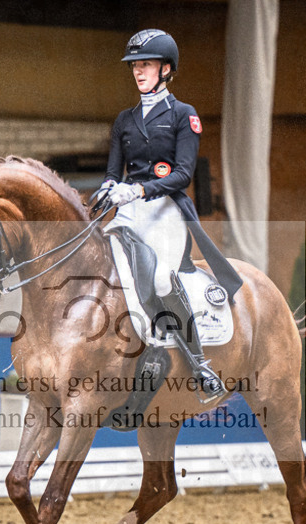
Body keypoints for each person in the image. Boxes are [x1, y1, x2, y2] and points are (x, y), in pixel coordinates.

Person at [99, 29, 242, 401]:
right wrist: (108, 188)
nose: (138, 71)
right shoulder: (124, 120)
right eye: (134, 66)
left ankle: (199, 364)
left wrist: (141, 188)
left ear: (165, 69)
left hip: (165, 211)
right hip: (130, 211)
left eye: (145, 64)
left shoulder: (184, 115)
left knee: (161, 281)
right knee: (100, 264)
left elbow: (183, 173)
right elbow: (114, 172)